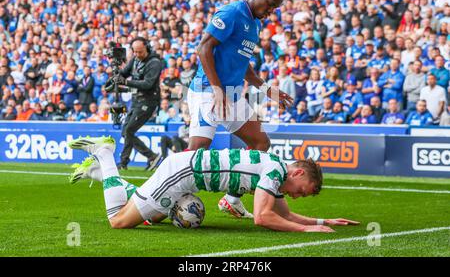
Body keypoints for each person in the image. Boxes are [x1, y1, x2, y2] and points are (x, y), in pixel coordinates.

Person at [68, 136, 359, 232]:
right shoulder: (274, 172)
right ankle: (106, 158)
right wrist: (307, 229)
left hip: (186, 176)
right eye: (301, 192)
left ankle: (101, 174)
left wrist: (322, 219)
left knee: (154, 216)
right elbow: (262, 217)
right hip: (180, 175)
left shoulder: (276, 169)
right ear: (297, 175)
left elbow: (283, 214)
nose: (296, 197)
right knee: (117, 221)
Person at [187, 0, 293, 218]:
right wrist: (216, 88)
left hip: (232, 94)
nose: (270, 10)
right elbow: (203, 48)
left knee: (260, 143)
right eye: (269, 3)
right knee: (196, 152)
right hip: (207, 91)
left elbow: (243, 65)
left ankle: (231, 200)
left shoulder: (255, 24)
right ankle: (160, 201)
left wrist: (266, 88)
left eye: (275, 8)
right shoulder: (232, 12)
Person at [112, 37, 164, 171]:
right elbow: (123, 73)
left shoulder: (155, 63)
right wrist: (115, 68)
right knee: (126, 132)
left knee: (129, 130)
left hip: (148, 101)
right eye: (134, 52)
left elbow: (148, 84)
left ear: (147, 48)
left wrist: (126, 82)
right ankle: (151, 156)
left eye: (140, 52)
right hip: (136, 100)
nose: (137, 55)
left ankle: (124, 162)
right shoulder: (135, 60)